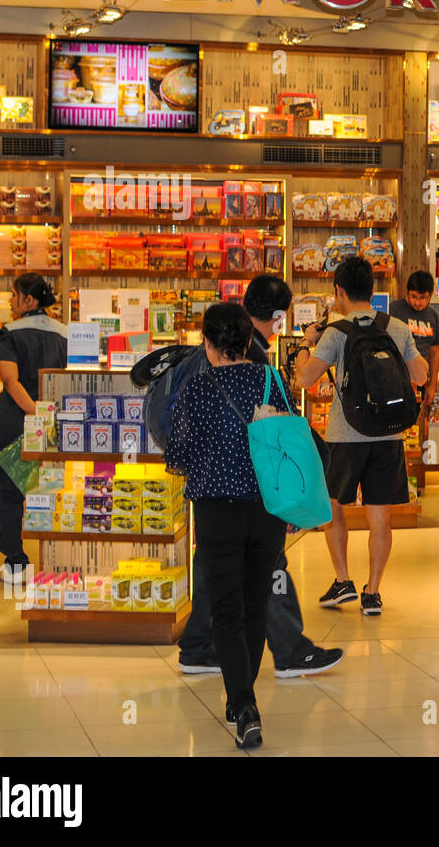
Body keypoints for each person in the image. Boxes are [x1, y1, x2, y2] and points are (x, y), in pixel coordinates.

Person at [176, 275, 344, 679]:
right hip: (257, 489)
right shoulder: (257, 366)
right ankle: (287, 651)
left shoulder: (207, 364)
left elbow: (183, 447)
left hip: (213, 495)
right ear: (276, 317)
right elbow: (284, 430)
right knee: (268, 569)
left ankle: (200, 646)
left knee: (217, 565)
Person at [165, 303, 296, 749]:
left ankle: (243, 702)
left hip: (217, 512)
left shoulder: (197, 388)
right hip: (268, 508)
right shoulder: (271, 381)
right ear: (247, 341)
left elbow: (178, 455)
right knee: (255, 602)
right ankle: (244, 695)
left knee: (224, 608)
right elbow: (289, 442)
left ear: (208, 344)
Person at [292, 256, 427, 615]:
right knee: (379, 517)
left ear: (339, 291)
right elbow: (421, 375)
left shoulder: (336, 332)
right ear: (372, 289)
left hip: (345, 435)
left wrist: (306, 344)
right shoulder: (397, 326)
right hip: (389, 436)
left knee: (333, 508)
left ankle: (343, 581)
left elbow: (304, 378)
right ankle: (373, 592)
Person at [0, 274, 67, 581]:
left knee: (11, 492)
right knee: (52, 491)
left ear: (29, 300)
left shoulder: (10, 332)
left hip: (17, 423)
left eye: (14, 295)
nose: (11, 301)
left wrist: (34, 411)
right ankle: (57, 560)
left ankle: (15, 562)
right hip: (55, 425)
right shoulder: (66, 333)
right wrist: (49, 413)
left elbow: (11, 381)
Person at [389, 270, 439, 457]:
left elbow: (434, 353)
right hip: (394, 381)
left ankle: (412, 474)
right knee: (393, 428)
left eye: (423, 298)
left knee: (413, 431)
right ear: (407, 293)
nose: (418, 302)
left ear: (430, 296)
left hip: (420, 382)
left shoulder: (433, 316)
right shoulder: (394, 309)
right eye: (414, 297)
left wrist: (432, 385)